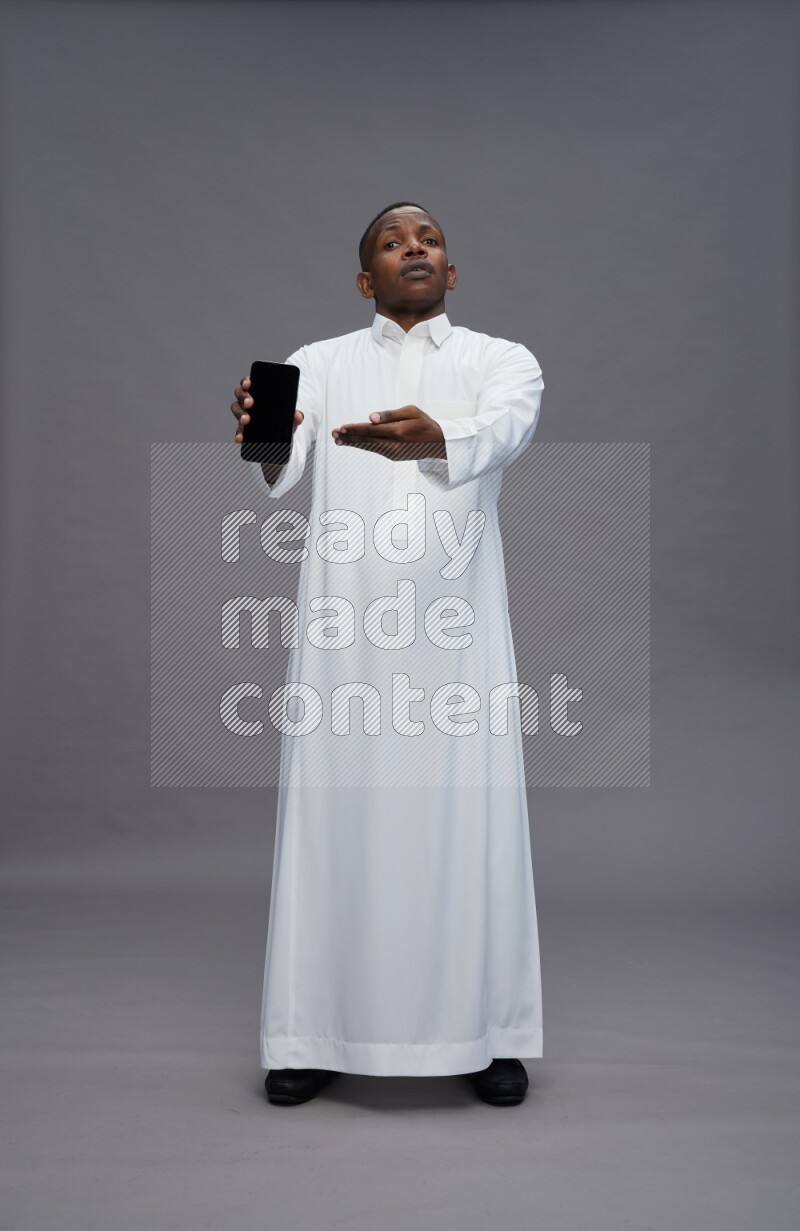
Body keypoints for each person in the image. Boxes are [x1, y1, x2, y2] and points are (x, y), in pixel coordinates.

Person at [230, 202, 545, 1107]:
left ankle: (488, 1030)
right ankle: (312, 1029)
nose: (416, 246)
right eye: (393, 242)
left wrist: (436, 439)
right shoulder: (318, 363)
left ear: (452, 272)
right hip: (345, 633)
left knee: (469, 819)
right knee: (337, 818)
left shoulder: (501, 361)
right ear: (366, 280)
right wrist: (261, 434)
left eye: (431, 240)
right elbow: (277, 464)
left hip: (457, 635)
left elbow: (507, 431)